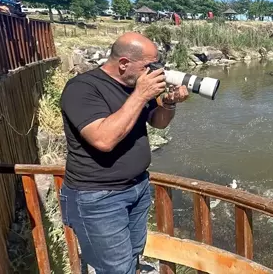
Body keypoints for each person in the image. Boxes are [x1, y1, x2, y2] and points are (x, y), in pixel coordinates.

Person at [59, 32, 188, 273]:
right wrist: (141, 95)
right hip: (98, 197)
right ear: (124, 63)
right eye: (149, 65)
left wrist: (169, 103)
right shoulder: (83, 88)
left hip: (137, 188)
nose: (155, 71)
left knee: (133, 252)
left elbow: (158, 122)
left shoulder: (134, 85)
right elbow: (103, 139)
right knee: (114, 268)